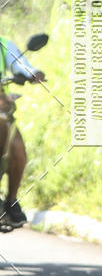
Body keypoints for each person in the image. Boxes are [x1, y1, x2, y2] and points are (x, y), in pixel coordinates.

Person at [0, 37, 45, 226]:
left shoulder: (3, 45)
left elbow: (19, 62)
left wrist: (32, 73)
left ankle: (11, 199)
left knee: (17, 147)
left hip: (1, 109)